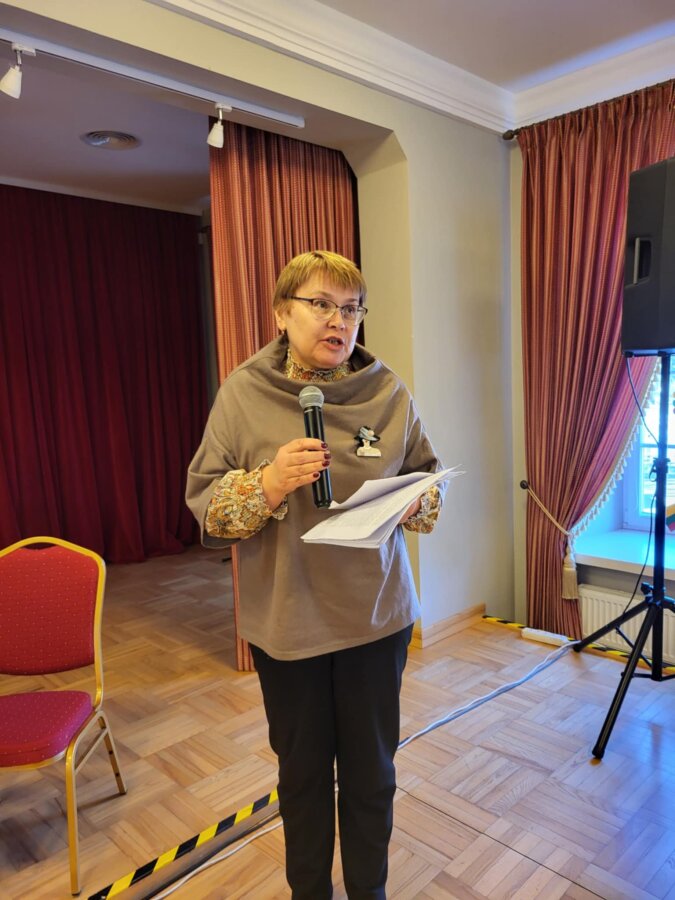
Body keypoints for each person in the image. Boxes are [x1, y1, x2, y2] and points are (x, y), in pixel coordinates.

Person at [186, 251, 445, 899]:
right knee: (302, 779)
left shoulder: (388, 390)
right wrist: (269, 483)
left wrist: (417, 499)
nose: (339, 321)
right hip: (289, 625)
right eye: (321, 305)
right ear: (281, 313)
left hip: (374, 617)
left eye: (351, 308)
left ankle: (368, 892)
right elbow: (208, 509)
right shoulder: (243, 394)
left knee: (371, 775)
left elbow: (429, 478)